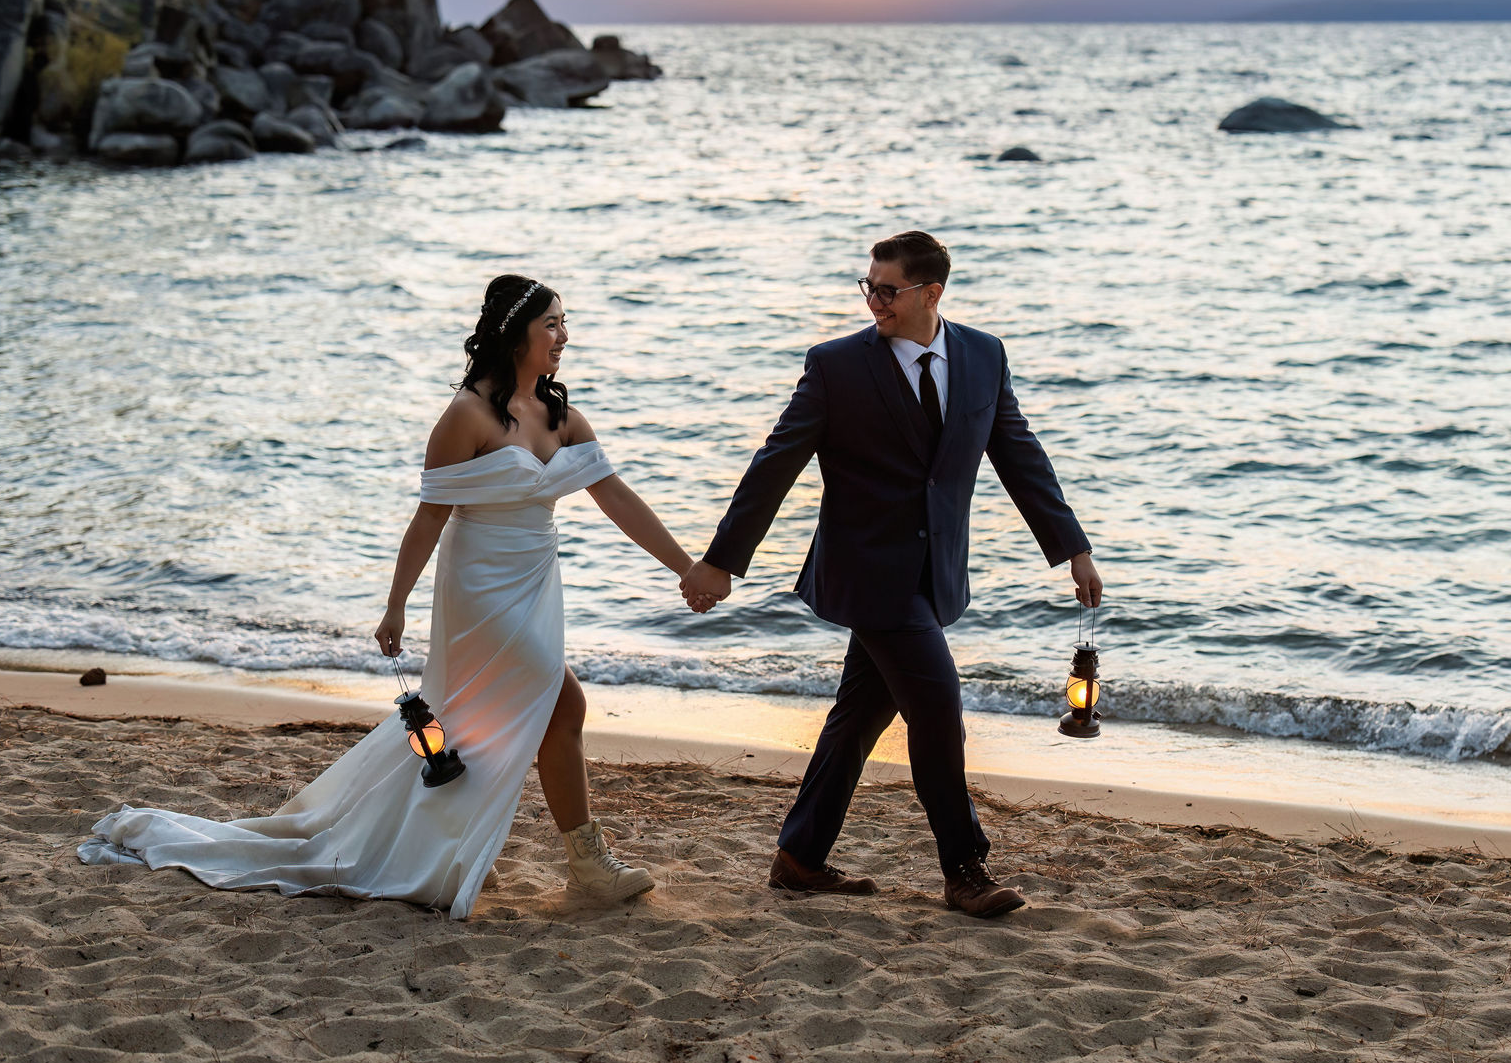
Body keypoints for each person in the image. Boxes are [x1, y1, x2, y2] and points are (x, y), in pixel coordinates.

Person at [79, 275, 695, 919]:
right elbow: (430, 517)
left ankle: (556, 857)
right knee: (561, 700)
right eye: (553, 324)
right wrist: (396, 604)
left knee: (507, 720)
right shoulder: (466, 416)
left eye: (564, 323)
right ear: (517, 335)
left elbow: (617, 497)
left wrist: (686, 566)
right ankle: (589, 864)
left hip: (535, 583)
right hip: (479, 593)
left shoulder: (563, 416)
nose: (564, 337)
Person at [681, 231, 1101, 918]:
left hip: (933, 574)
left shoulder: (983, 355)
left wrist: (1071, 548)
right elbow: (775, 463)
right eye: (868, 286)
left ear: (930, 293)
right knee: (938, 708)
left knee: (858, 716)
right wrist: (722, 560)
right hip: (865, 571)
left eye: (888, 289)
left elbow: (1020, 454)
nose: (874, 299)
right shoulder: (836, 366)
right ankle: (964, 866)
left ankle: (799, 856)